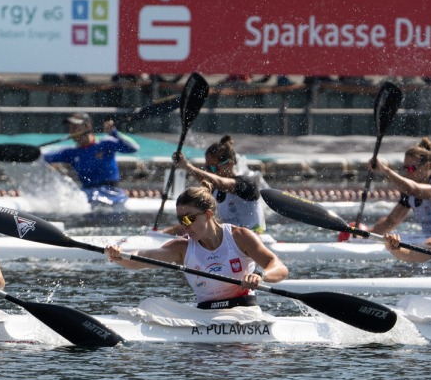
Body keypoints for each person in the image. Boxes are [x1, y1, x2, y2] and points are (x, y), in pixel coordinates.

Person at [105, 186, 288, 309]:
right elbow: (141, 259)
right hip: (205, 314)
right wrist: (119, 256)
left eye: (189, 218)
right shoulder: (182, 248)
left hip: (243, 310)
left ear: (208, 214)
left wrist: (260, 276)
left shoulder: (239, 237)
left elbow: (279, 267)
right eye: (180, 220)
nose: (184, 225)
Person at [172, 135, 267, 232]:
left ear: (229, 164)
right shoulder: (213, 190)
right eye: (208, 168)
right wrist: (165, 232)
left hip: (253, 238)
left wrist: (188, 166)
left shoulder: (246, 184)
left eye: (214, 168)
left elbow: (220, 183)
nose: (210, 172)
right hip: (230, 240)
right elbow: (197, 217)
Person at [42, 112, 139, 200]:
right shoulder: (71, 152)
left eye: (75, 127)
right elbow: (43, 157)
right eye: (70, 127)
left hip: (111, 194)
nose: (72, 131)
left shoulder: (106, 143)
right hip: (87, 195)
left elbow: (133, 148)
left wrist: (114, 133)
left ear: (87, 126)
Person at [368, 137, 431, 238]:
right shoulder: (409, 193)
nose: (408, 173)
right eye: (406, 168)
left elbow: (414, 189)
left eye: (412, 168)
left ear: (427, 166)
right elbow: (391, 221)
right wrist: (365, 235)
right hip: (429, 239)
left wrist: (384, 169)